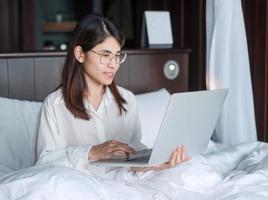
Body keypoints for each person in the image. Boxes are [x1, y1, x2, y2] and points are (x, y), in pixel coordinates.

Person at [36, 14, 191, 175]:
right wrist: (91, 152)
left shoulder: (127, 100)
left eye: (117, 55)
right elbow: (43, 163)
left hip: (123, 187)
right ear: (80, 54)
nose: (113, 64)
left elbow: (132, 158)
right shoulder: (54, 105)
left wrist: (157, 163)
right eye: (105, 55)